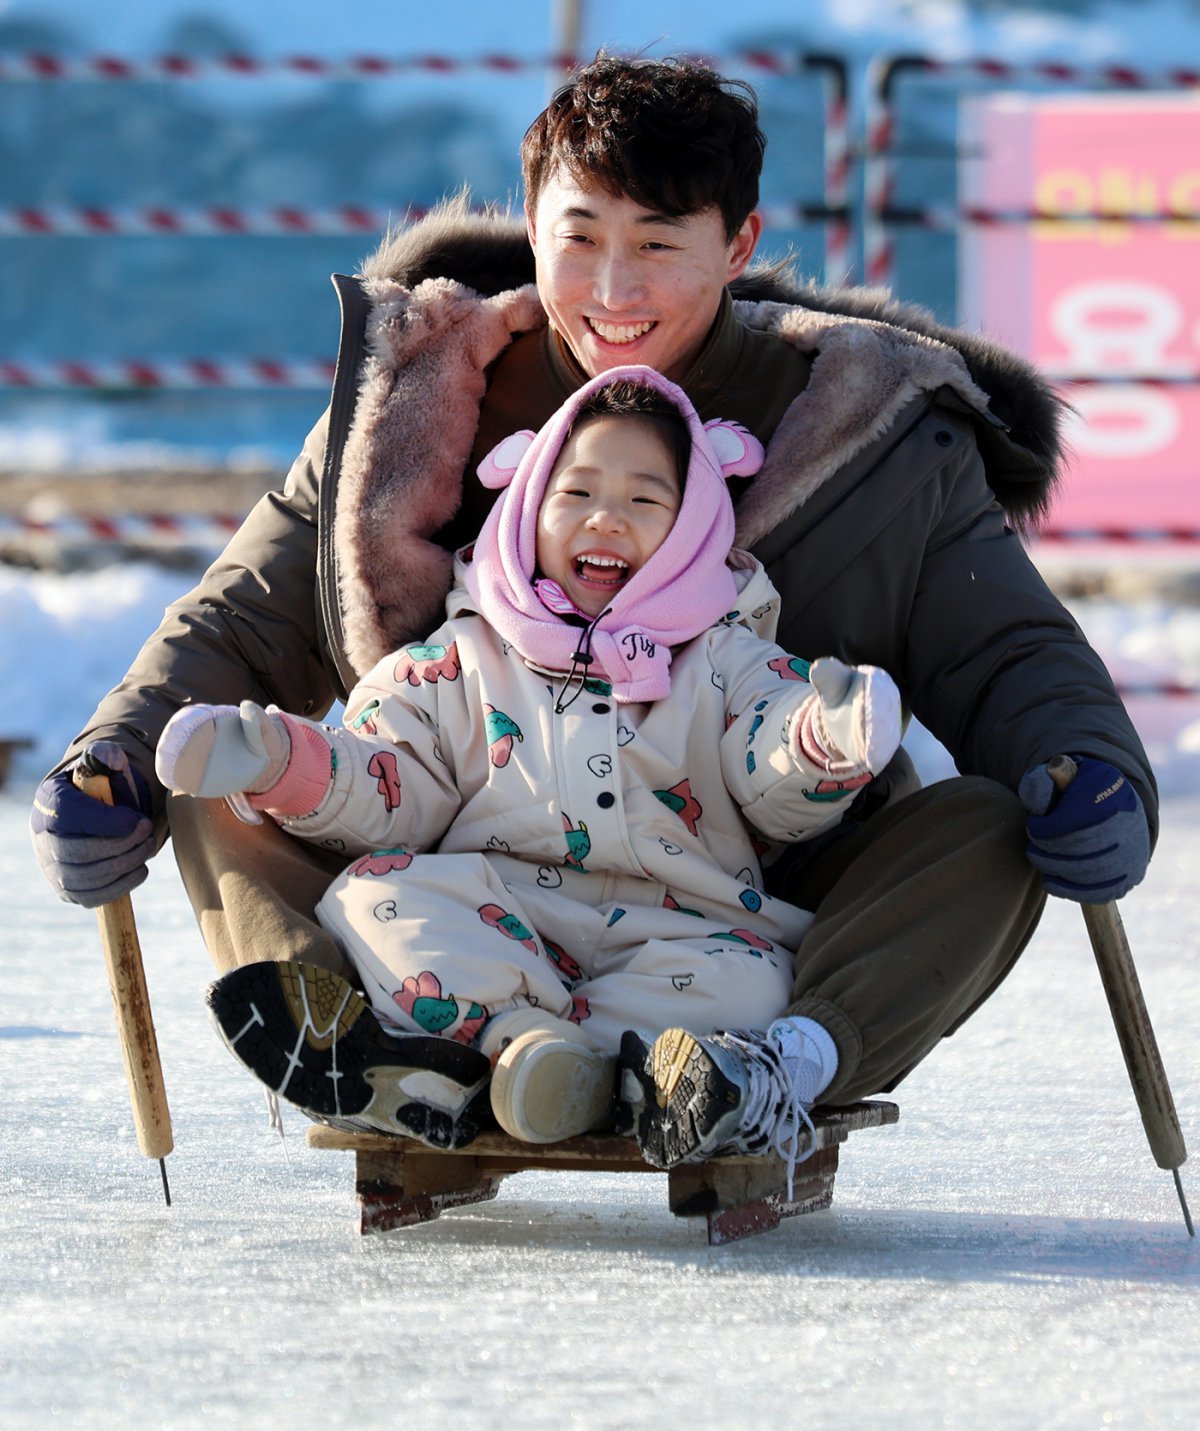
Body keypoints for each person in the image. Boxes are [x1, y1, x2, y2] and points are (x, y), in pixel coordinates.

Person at [31, 54, 1155, 1169]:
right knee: (212, 769)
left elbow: (1008, 648)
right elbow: (246, 615)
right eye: (580, 238)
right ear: (530, 224)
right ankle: (376, 1055)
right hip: (445, 849)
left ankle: (767, 1070)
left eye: (660, 245)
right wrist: (116, 755)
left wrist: (1084, 765)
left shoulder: (874, 432)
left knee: (990, 829)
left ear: (740, 246)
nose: (613, 291)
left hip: (751, 892)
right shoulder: (421, 395)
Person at [153, 368, 903, 1160]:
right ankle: (530, 1050)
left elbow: (770, 756)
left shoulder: (728, 657)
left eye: (647, 502)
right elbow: (390, 782)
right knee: (374, 899)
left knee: (758, 983)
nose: (607, 518)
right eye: (575, 494)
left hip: (682, 927)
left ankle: (597, 1071)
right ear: (527, 508)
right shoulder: (458, 661)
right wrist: (282, 761)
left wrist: (825, 736)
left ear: (693, 530)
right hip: (499, 914)